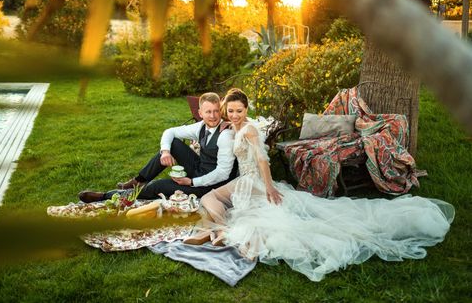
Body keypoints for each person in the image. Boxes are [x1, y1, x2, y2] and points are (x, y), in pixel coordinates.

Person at [184, 88, 455, 282]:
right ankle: (219, 231)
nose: (233, 114)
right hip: (245, 180)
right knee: (214, 201)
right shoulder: (234, 127)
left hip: (253, 180)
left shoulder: (250, 129)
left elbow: (263, 161)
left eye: (238, 110)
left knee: (210, 199)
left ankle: (220, 232)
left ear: (246, 110)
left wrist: (268, 188)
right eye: (230, 111)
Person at [78, 92, 238, 202]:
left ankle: (105, 196)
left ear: (220, 110)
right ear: (200, 113)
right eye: (208, 112)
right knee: (173, 143)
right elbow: (170, 132)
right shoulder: (202, 126)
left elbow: (223, 174)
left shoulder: (225, 135)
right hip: (201, 169)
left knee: (157, 186)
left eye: (216, 111)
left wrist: (191, 182)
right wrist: (165, 152)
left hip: (212, 185)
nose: (213, 116)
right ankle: (138, 181)